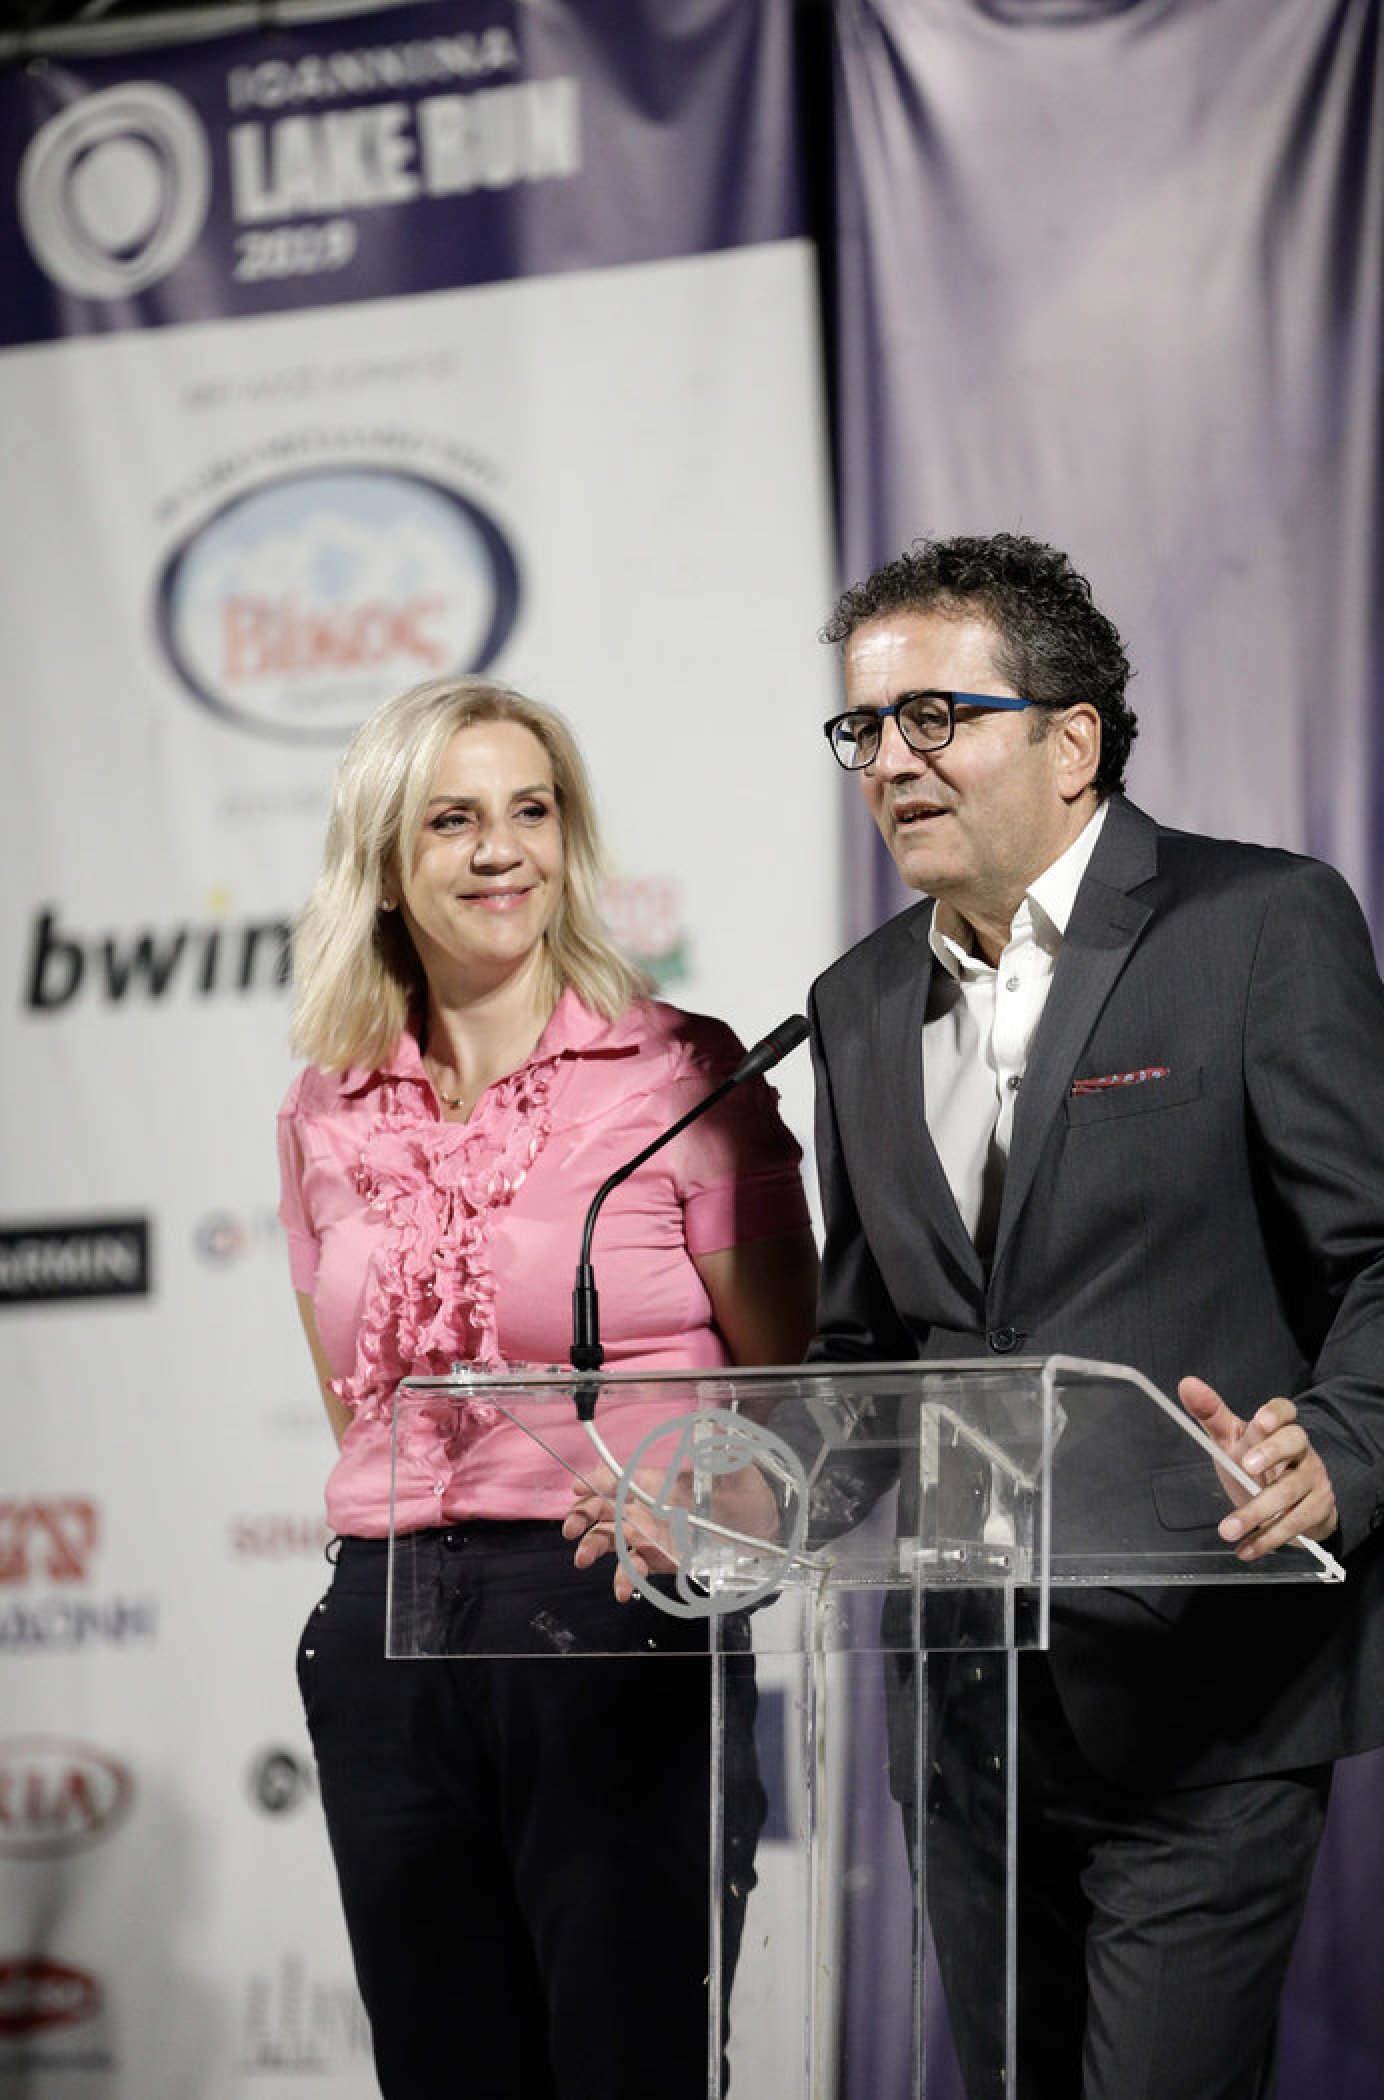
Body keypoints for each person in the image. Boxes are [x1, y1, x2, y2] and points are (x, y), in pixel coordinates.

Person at [801, 531, 1384, 2100]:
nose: (891, 760)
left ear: (1073, 742)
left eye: (936, 717)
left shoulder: (1257, 925)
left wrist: (1343, 1444)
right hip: (965, 1707)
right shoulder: (853, 1002)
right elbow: (867, 1350)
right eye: (866, 726)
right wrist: (748, 1497)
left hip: (1201, 1685)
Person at [276, 673, 817, 2100]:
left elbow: (792, 1384)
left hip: (613, 1604)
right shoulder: (324, 1104)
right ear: (383, 862)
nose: (501, 849)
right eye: (452, 820)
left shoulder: (680, 1071)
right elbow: (356, 1401)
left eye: (532, 810)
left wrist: (706, 1523)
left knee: (627, 2062)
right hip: (386, 1625)